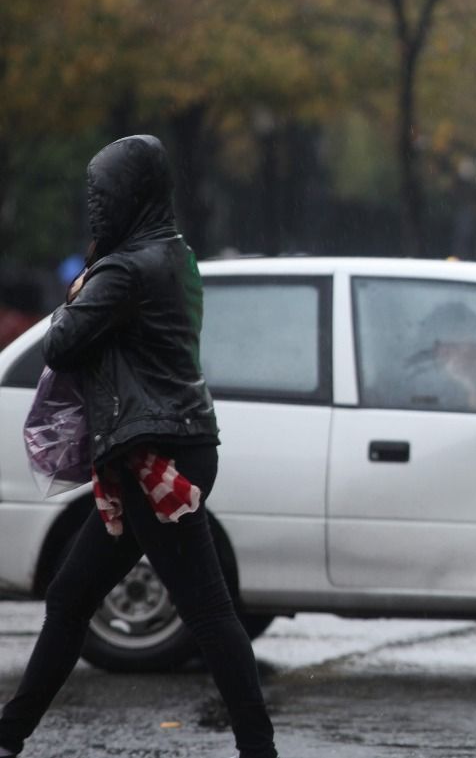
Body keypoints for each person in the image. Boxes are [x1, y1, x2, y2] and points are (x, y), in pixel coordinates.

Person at [0, 135, 278, 758]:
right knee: (72, 598)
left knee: (205, 610)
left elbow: (60, 343)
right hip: (169, 446)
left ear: (133, 196)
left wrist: (84, 282)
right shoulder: (175, 254)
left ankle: (260, 749)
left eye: (104, 195)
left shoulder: (127, 269)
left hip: (155, 459)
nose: (95, 208)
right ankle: (10, 732)